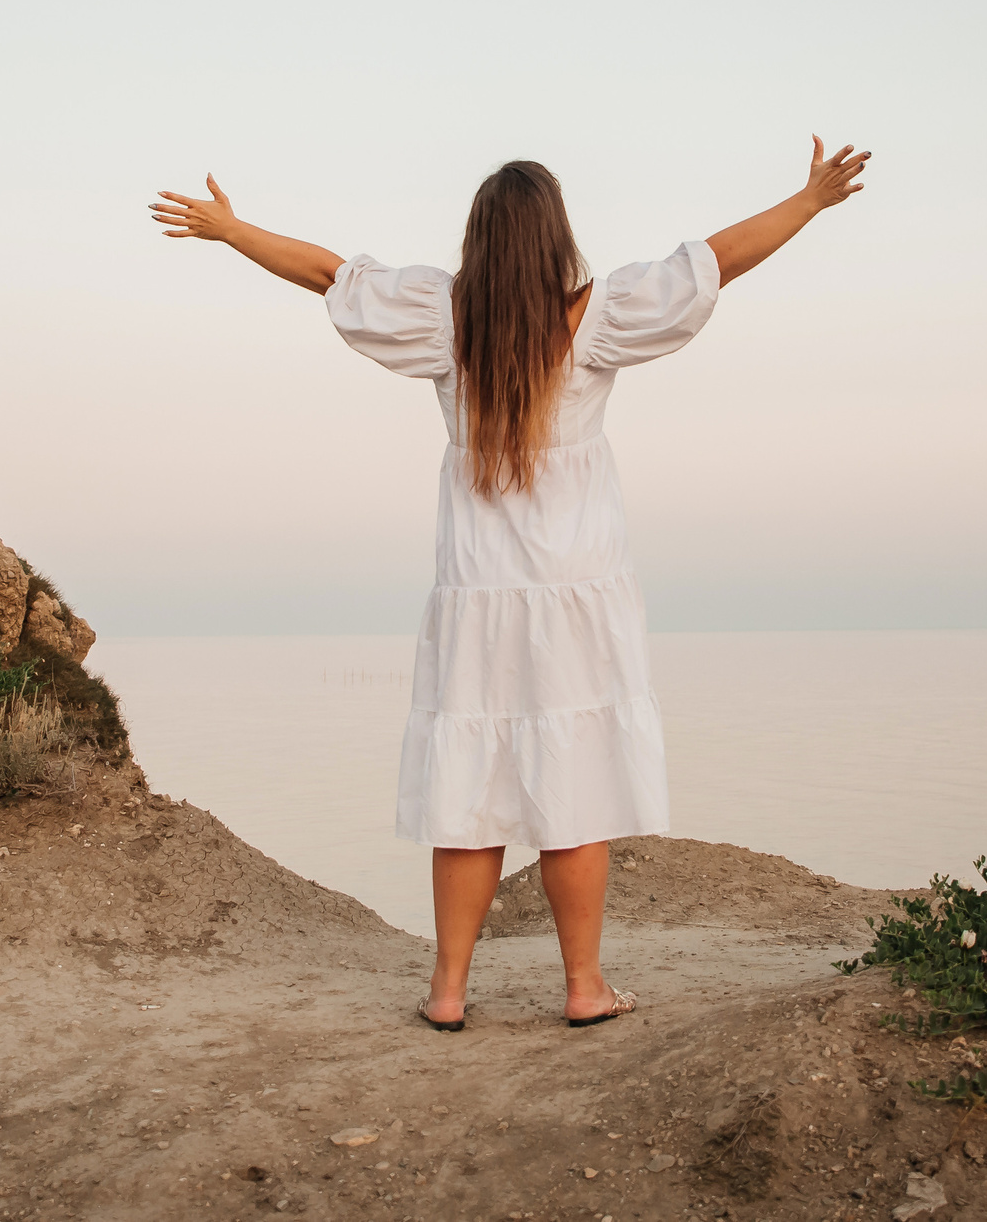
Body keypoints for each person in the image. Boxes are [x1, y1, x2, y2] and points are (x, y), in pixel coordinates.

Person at [150, 139, 871, 1030]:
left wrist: (230, 230)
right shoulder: (596, 318)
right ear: (556, 237)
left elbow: (330, 273)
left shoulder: (442, 323)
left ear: (480, 240)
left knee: (471, 791)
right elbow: (715, 261)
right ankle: (583, 987)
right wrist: (807, 201)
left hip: (477, 594)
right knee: (575, 789)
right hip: (578, 592)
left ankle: (447, 992)